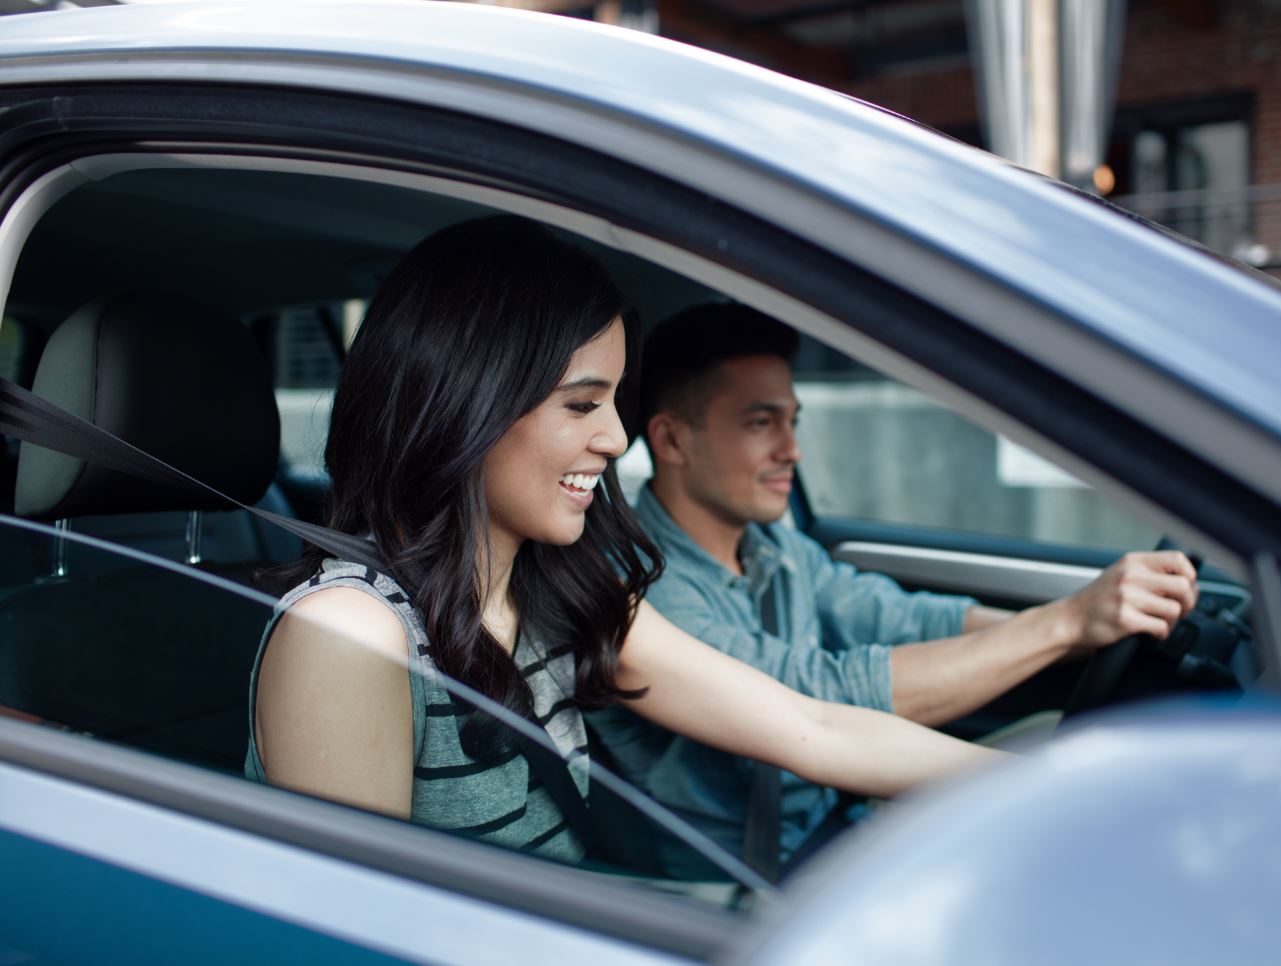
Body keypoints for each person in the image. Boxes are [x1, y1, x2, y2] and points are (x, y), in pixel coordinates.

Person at [244, 217, 1000, 870]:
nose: (614, 438)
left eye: (614, 402)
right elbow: (353, 933)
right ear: (468, 403)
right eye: (581, 404)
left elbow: (813, 726)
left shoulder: (557, 591)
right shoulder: (350, 634)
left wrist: (1059, 790)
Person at [588, 304, 1198, 873]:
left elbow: (902, 617)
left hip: (837, 827)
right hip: (752, 884)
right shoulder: (643, 589)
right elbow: (813, 701)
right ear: (670, 441)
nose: (792, 449)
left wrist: (1086, 625)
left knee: (1053, 738)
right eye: (760, 423)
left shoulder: (773, 548)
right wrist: (1064, 625)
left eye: (792, 421)